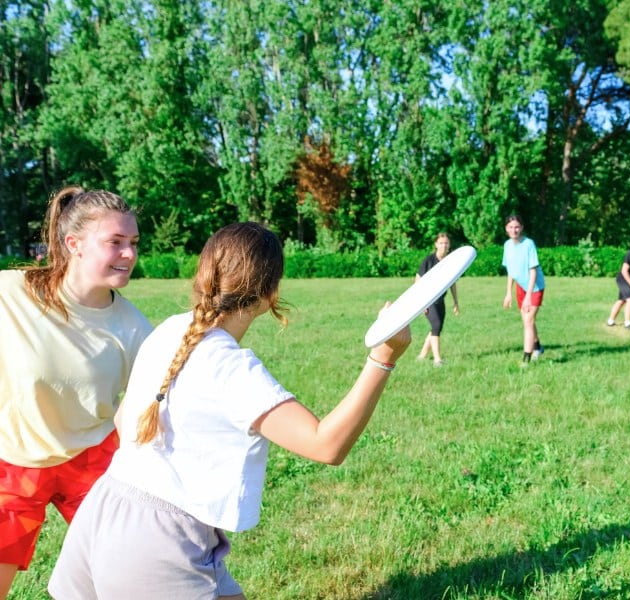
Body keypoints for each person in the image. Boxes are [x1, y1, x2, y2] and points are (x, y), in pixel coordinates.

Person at [49, 222, 411, 599]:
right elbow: (326, 445)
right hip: (158, 543)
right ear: (270, 293)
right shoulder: (233, 369)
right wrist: (382, 359)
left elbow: (125, 421)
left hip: (105, 507)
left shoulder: (170, 329)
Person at [0, 186, 151, 598]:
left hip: (92, 459)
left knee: (128, 575)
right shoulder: (12, 293)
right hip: (14, 461)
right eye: (115, 242)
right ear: (74, 244)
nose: (129, 254)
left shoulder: (135, 329)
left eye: (133, 243)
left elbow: (154, 406)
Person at [502, 214, 545, 366]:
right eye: (511, 227)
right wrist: (508, 293)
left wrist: (528, 296)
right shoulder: (507, 246)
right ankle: (538, 347)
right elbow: (511, 272)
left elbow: (533, 271)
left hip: (535, 287)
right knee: (528, 321)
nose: (514, 230)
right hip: (521, 286)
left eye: (517, 227)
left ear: (522, 228)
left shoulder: (529, 244)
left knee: (528, 321)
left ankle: (526, 359)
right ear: (506, 229)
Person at [416, 233, 460, 366]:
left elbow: (453, 283)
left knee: (437, 328)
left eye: (446, 243)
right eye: (441, 243)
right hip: (428, 301)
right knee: (435, 326)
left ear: (449, 245)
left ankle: (422, 355)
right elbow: (418, 280)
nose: (443, 246)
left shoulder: (450, 261)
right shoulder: (428, 260)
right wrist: (422, 302)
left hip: (441, 300)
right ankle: (437, 359)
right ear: (436, 244)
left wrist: (456, 302)